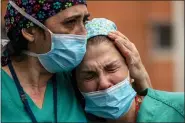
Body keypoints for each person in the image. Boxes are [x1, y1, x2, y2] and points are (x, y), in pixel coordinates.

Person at [1, 0, 151, 122]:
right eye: (70, 22)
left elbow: (141, 116)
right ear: (30, 32)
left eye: (84, 21)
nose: (84, 32)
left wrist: (142, 80)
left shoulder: (79, 79)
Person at [75, 18, 184, 122]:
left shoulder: (178, 111)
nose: (103, 83)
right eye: (89, 75)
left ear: (130, 67)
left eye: (111, 68)